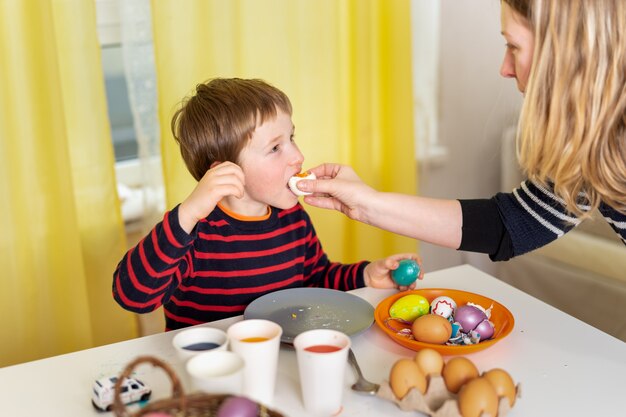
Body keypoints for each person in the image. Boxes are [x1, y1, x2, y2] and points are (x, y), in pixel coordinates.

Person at [295, 0, 626, 261]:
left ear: (569, 48)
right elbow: (512, 225)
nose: (505, 68)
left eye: (514, 46)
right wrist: (366, 203)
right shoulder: (590, 138)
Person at [113, 78, 422, 331]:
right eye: (275, 147)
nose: (297, 156)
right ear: (225, 172)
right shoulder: (193, 232)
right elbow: (133, 296)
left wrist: (366, 275)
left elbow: (315, 279)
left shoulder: (293, 218)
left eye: (292, 138)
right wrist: (188, 213)